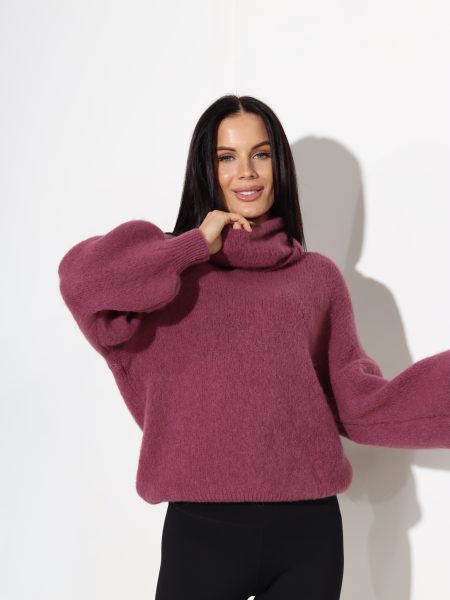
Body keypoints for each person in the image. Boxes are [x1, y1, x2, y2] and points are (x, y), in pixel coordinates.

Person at [57, 95, 450, 600]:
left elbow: (361, 405)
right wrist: (192, 245)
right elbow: (81, 282)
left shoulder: (316, 278)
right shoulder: (169, 276)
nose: (246, 172)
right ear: (206, 168)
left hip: (309, 533)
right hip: (202, 533)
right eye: (227, 157)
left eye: (260, 154)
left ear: (278, 165)